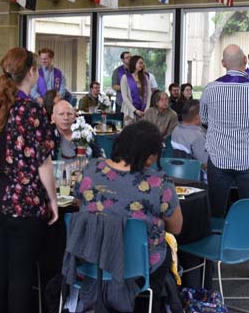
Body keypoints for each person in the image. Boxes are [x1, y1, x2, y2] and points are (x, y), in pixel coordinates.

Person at [0, 47, 58, 313]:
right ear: (31, 72)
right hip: (22, 203)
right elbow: (43, 161)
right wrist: (53, 200)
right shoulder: (31, 110)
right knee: (21, 277)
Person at [73, 120, 182, 305]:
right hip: (140, 267)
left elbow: (78, 203)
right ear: (150, 157)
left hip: (92, 260)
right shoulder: (160, 183)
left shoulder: (91, 169)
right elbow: (176, 228)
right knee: (168, 254)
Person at [200, 44, 249, 276]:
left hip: (219, 158)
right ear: (245, 61)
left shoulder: (210, 89)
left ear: (223, 63)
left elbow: (203, 120)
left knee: (216, 212)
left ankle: (209, 264)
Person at [171, 100, 208, 169]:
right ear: (197, 118)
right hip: (195, 174)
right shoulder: (197, 136)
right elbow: (206, 163)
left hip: (177, 170)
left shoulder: (176, 129)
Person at [120, 55, 153, 126]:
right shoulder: (125, 78)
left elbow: (149, 94)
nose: (142, 65)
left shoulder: (145, 77)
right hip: (130, 111)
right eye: (140, 63)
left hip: (143, 111)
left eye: (143, 63)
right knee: (129, 133)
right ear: (134, 63)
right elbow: (124, 97)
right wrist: (135, 110)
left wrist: (147, 108)